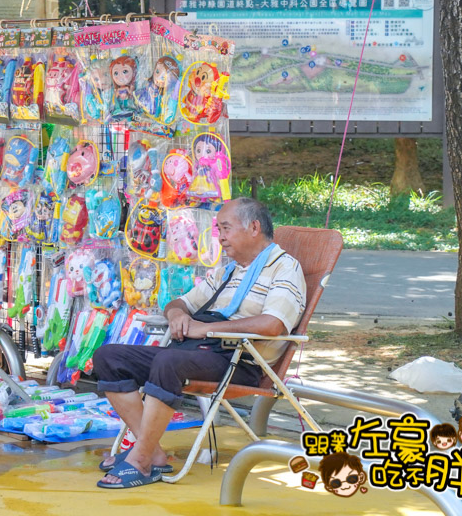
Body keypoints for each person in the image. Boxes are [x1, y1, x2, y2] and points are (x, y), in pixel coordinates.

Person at [92, 197, 306, 489]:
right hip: (201, 353)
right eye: (219, 229)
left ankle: (140, 460)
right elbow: (179, 303)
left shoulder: (285, 268)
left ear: (254, 227)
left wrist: (205, 329)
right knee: (108, 357)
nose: (220, 237)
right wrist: (178, 314)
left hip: (241, 361)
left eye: (225, 228)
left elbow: (273, 324)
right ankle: (151, 452)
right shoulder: (228, 272)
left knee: (169, 361)